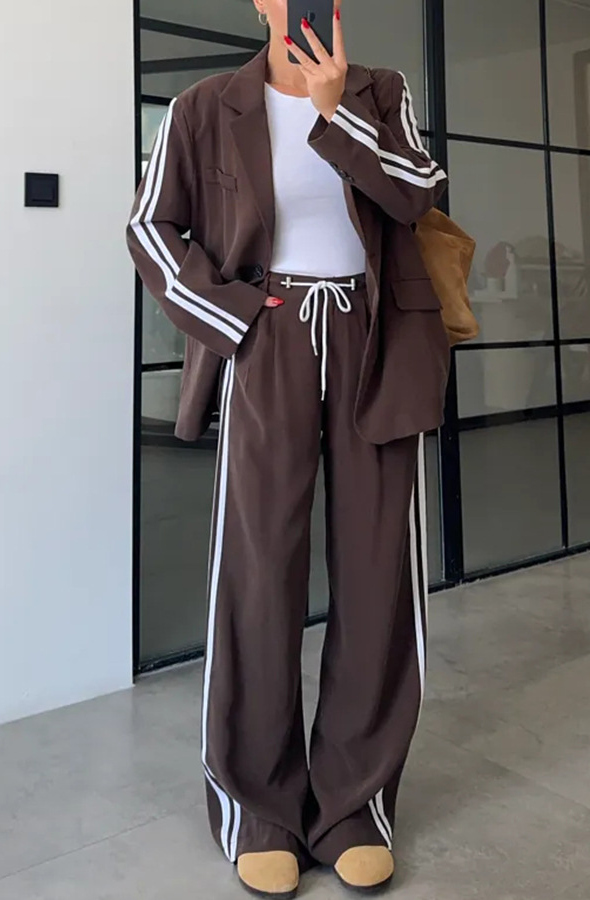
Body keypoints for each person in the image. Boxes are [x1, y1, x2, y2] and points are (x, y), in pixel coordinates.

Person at [127, 1, 450, 895]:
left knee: (379, 572)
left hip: (376, 337)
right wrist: (233, 316)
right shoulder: (202, 106)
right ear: (260, 3)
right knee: (258, 569)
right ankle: (257, 806)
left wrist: (337, 110)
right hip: (266, 337)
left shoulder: (382, 92)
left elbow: (416, 193)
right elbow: (151, 227)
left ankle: (355, 805)